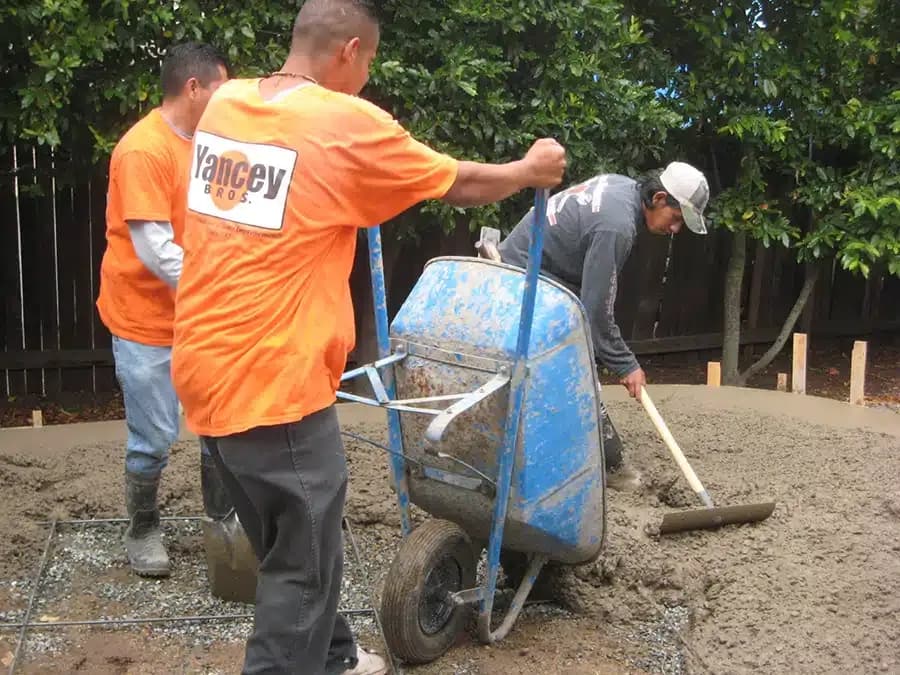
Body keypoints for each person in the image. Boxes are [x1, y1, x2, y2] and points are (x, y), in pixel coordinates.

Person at [170, 1, 567, 673]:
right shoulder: (344, 122)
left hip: (205, 370)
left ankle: (333, 656)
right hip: (276, 387)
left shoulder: (227, 105)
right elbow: (460, 181)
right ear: (350, 50)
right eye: (372, 60)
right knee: (299, 569)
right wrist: (528, 171)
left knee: (292, 543)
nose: (369, 75)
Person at [96, 42, 232, 577]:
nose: (225, 100)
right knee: (153, 435)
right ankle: (144, 527)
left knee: (218, 425)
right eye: (219, 88)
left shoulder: (210, 145)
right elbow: (154, 247)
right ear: (193, 87)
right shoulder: (143, 151)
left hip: (198, 315)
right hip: (145, 319)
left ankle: (224, 522)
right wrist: (216, 291)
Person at [494, 163, 710, 477]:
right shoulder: (617, 227)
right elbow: (595, 313)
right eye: (676, 219)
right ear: (660, 198)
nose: (675, 229)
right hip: (523, 279)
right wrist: (626, 364)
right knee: (577, 370)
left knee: (561, 365)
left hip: (535, 272)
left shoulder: (621, 185)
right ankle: (611, 463)